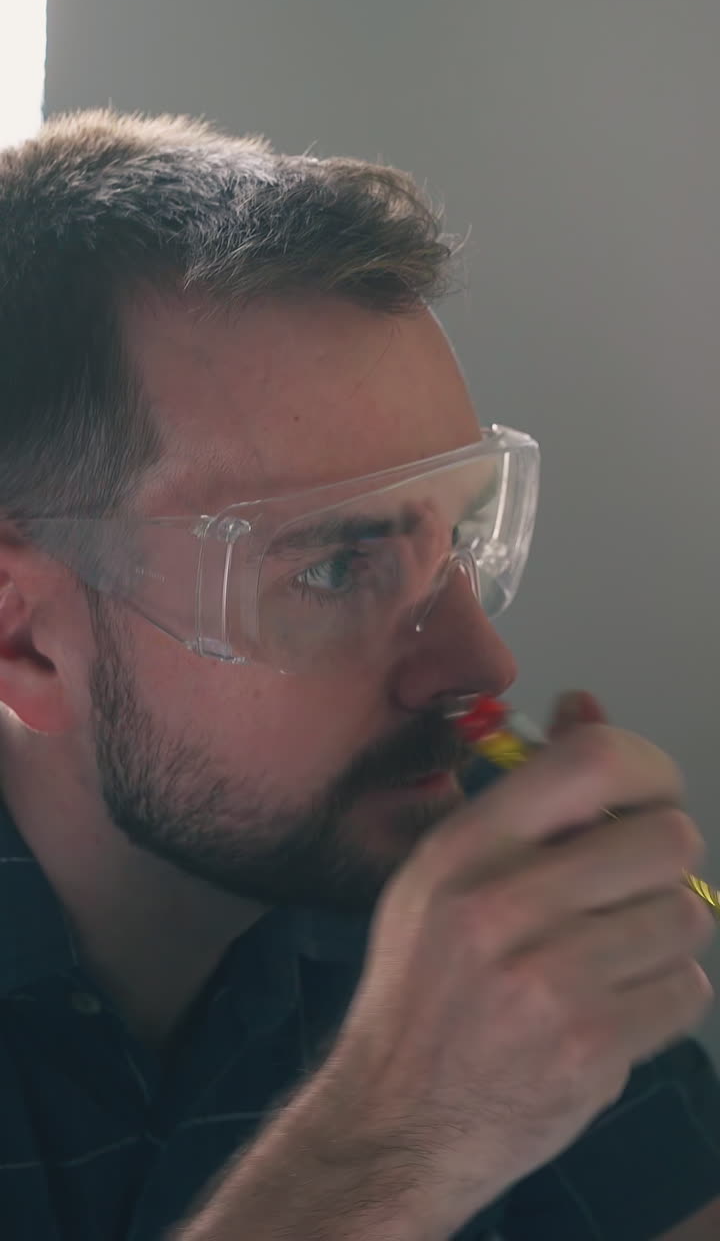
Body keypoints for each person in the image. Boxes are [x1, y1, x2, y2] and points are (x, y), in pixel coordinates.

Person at [0, 108, 719, 1241]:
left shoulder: (473, 876)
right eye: (335, 566)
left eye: (455, 535)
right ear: (26, 639)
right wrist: (392, 1149)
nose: (480, 663)